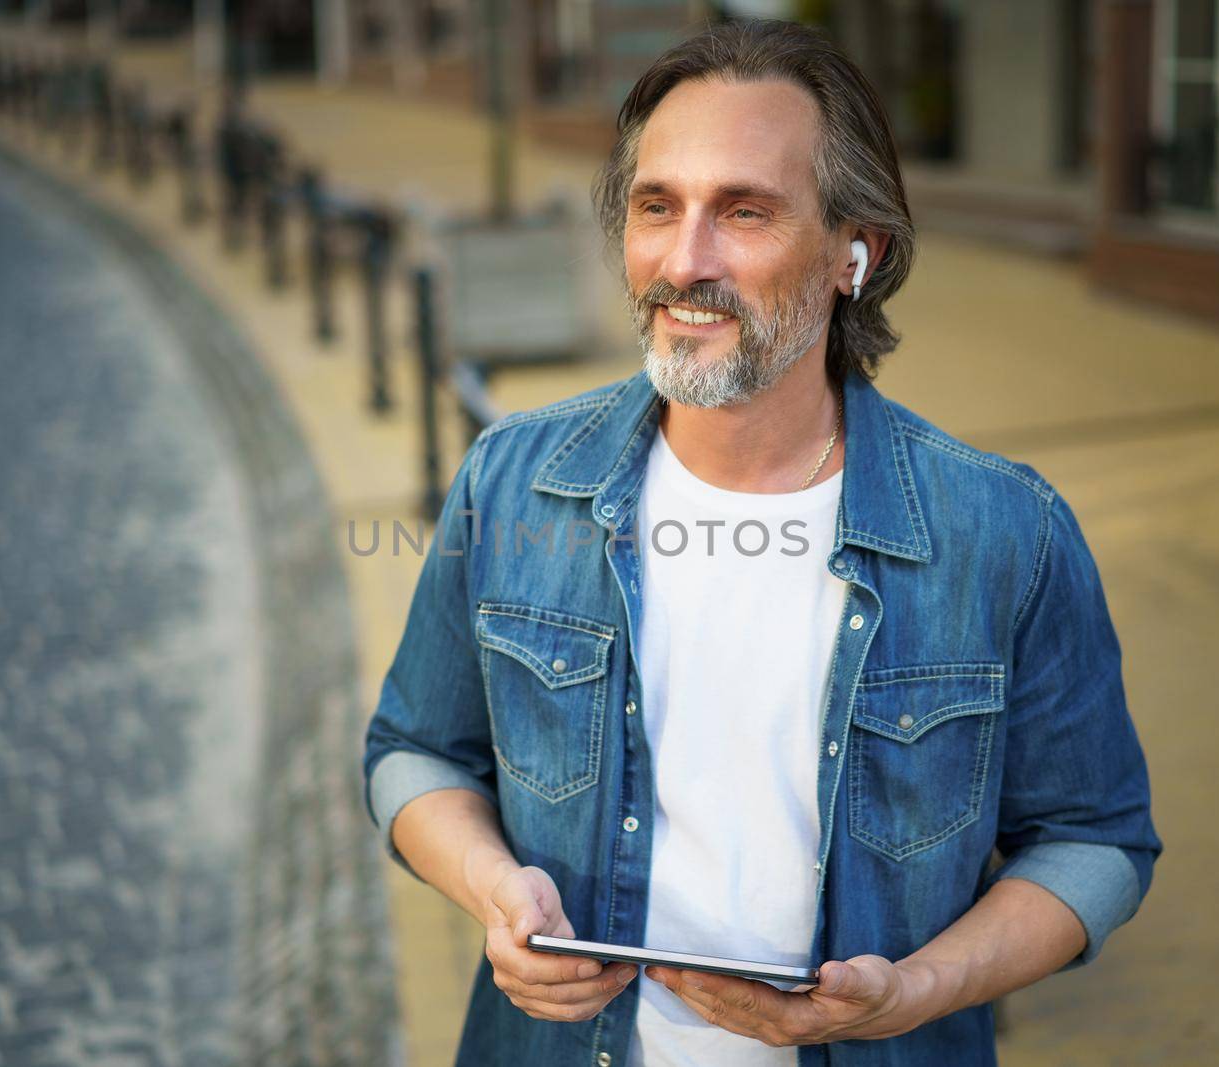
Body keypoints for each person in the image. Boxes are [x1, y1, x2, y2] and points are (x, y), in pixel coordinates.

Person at [363, 19, 1160, 1067]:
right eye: (657, 206)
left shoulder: (1004, 531)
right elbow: (412, 751)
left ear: (851, 253)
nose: (683, 262)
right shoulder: (512, 482)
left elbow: (1095, 839)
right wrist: (490, 887)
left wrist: (917, 989)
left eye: (742, 211)